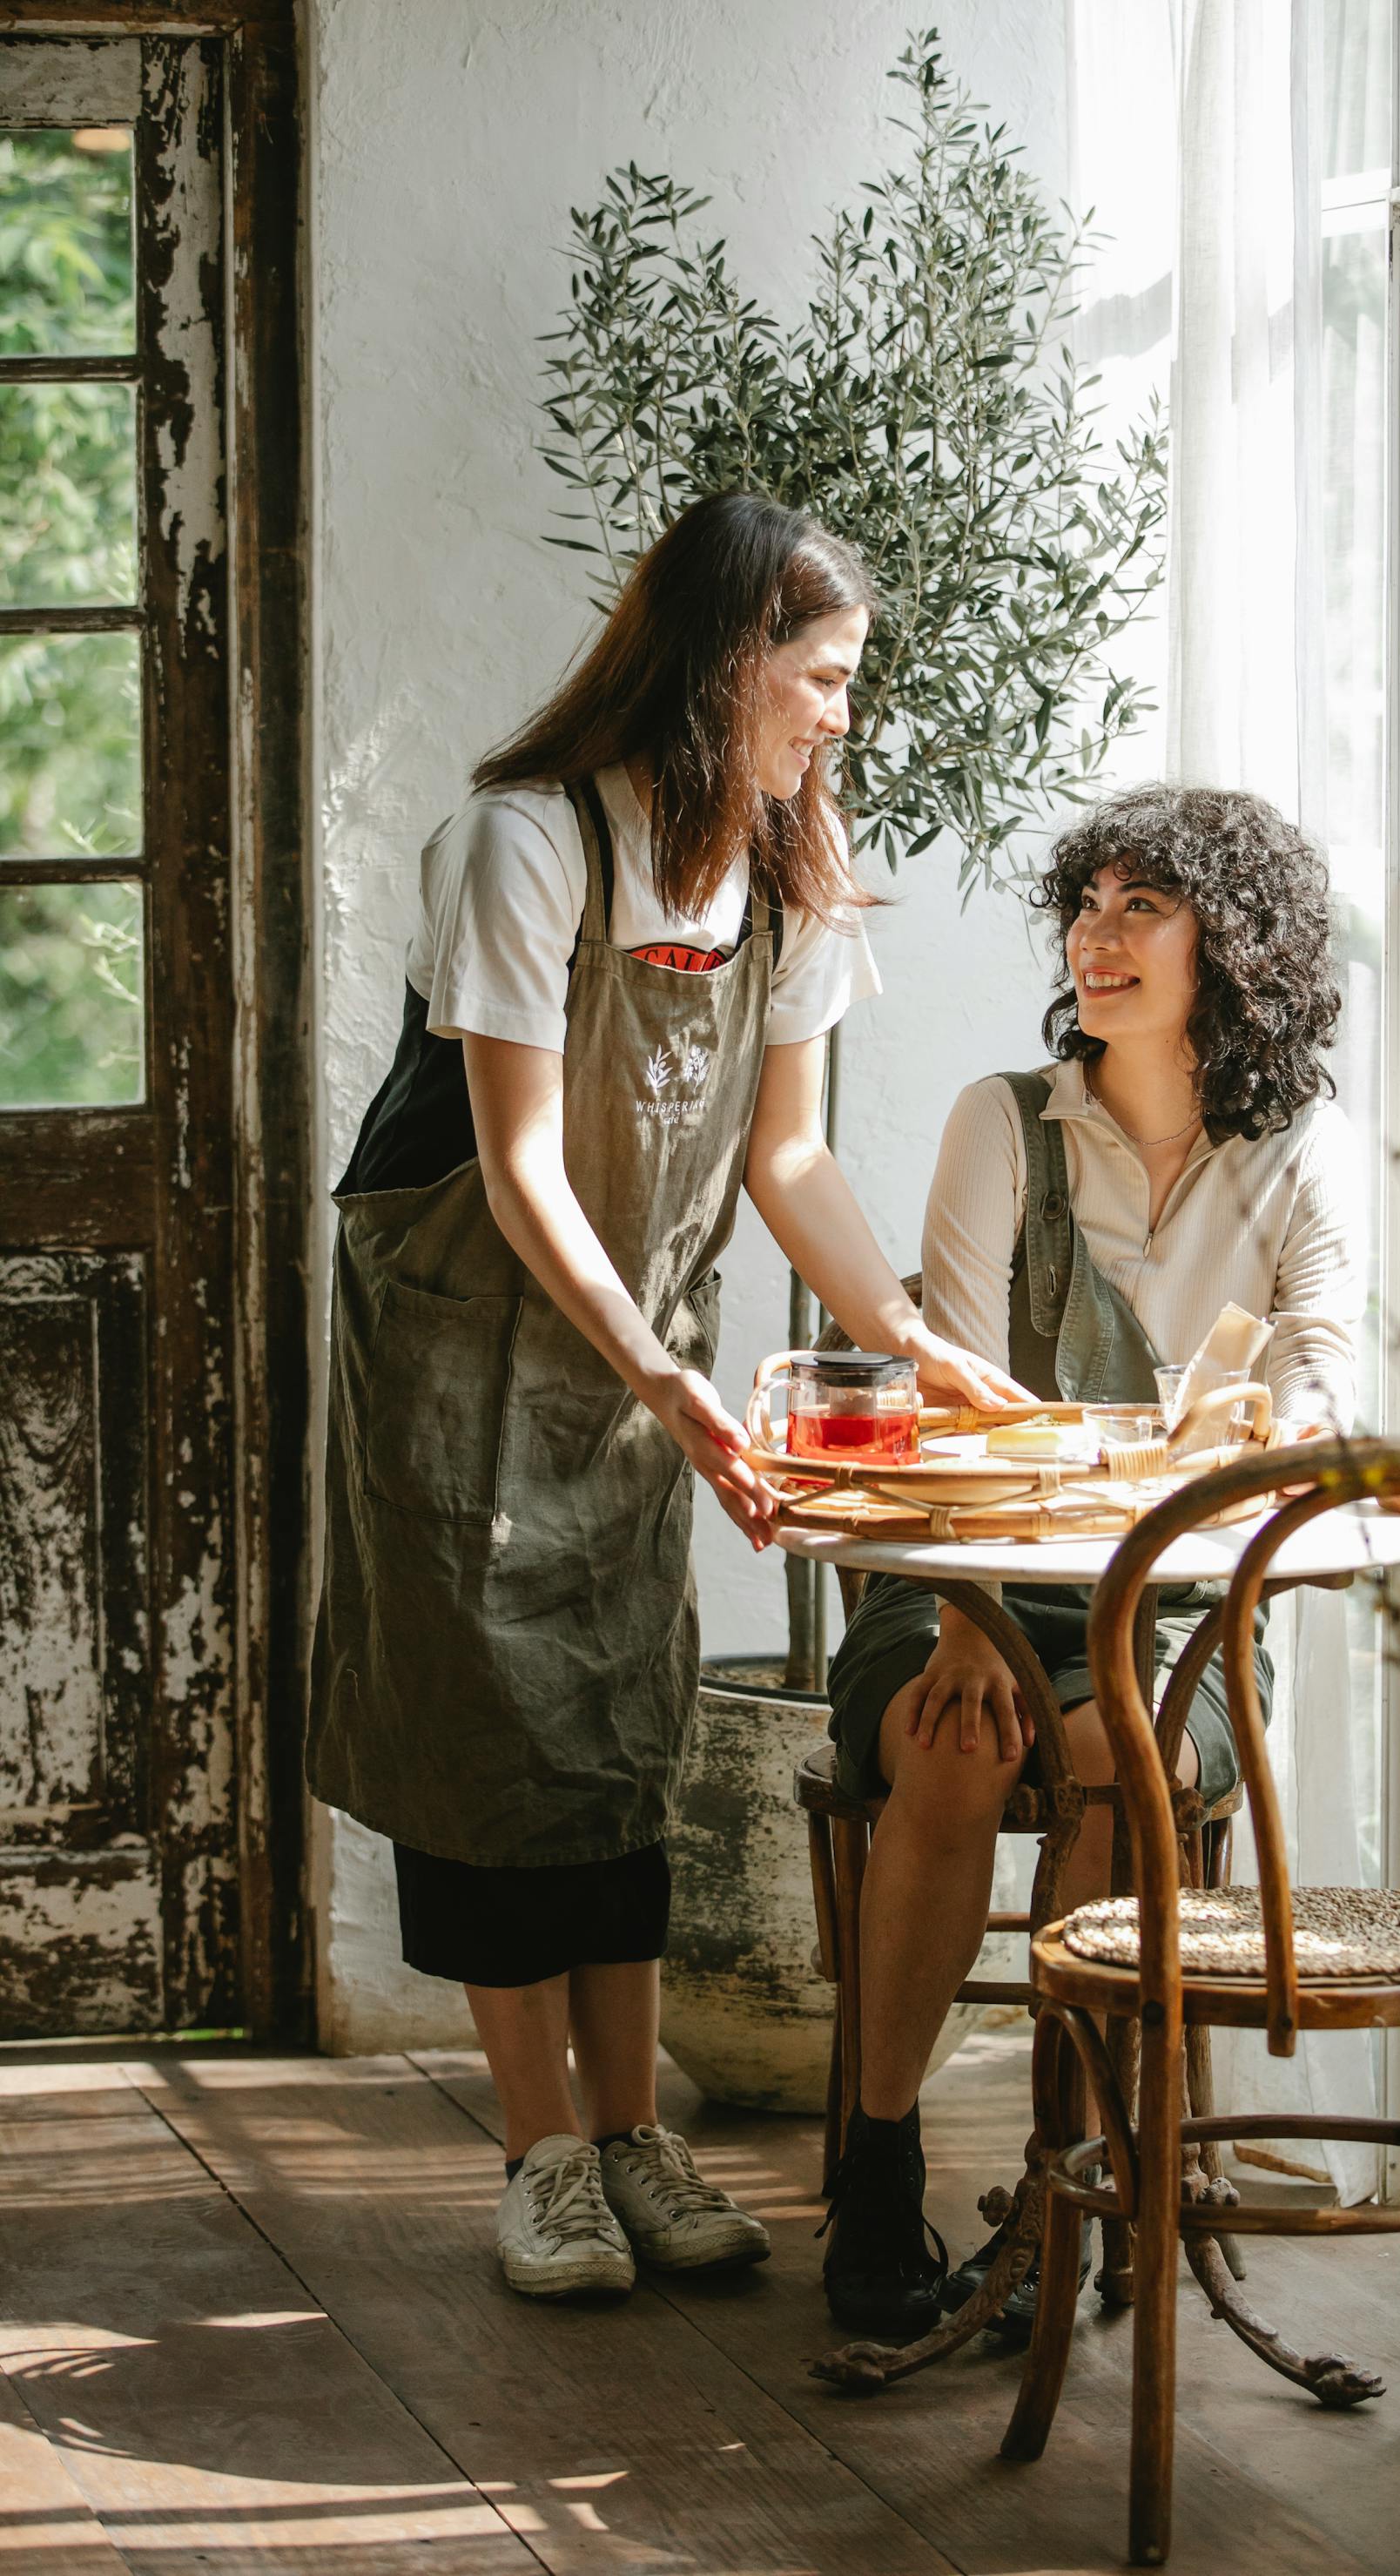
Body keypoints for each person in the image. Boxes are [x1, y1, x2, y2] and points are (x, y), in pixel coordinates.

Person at [307, 492, 1027, 2304]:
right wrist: (667, 1375)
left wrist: (916, 1331)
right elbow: (524, 1166)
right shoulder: (523, 842)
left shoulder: (784, 870)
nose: (845, 714)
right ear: (728, 668)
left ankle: (642, 2139)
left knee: (620, 1732)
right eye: (825, 677)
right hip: (472, 1339)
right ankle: (543, 2155)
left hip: (646, 1355)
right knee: (490, 1741)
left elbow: (789, 1159)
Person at [819, 783, 1366, 2340]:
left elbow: (1321, 1397)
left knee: (1114, 1757)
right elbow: (958, 1401)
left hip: (1181, 1613)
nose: (1097, 934)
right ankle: (879, 2156)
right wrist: (971, 1623)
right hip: (968, 1576)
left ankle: (1066, 2178)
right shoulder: (1005, 1121)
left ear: (1233, 948)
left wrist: (1243, 1440)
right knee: (951, 1740)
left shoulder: (1298, 1160)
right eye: (1090, 903)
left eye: (1145, 907)